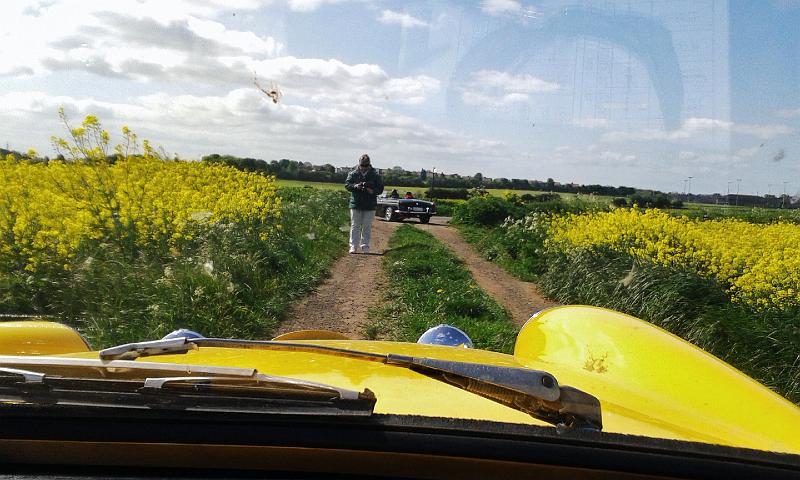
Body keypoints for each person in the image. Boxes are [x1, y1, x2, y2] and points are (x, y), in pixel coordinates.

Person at [344, 154, 384, 254]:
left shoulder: (375, 175)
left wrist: (372, 191)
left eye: (366, 166)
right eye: (362, 165)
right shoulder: (353, 173)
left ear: (369, 165)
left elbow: (380, 189)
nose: (363, 168)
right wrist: (355, 186)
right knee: (355, 225)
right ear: (359, 164)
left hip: (369, 204)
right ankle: (353, 245)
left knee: (367, 226)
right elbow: (347, 185)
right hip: (356, 203)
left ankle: (365, 245)